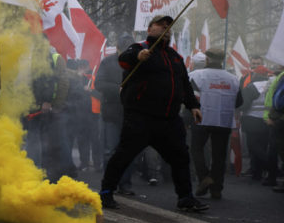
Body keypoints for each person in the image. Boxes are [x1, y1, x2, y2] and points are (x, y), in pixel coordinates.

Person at [99, 15, 208, 212]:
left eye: (169, 27)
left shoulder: (176, 57)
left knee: (181, 157)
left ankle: (185, 197)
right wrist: (138, 57)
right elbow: (124, 59)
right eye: (162, 26)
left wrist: (193, 105)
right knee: (123, 155)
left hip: (169, 120)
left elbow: (184, 84)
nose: (167, 29)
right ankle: (106, 192)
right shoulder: (139, 47)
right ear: (150, 29)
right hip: (141, 118)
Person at [189, 48, 243, 199]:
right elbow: (239, 102)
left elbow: (189, 98)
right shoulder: (233, 78)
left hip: (201, 119)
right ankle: (216, 188)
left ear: (206, 59)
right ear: (222, 60)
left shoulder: (195, 75)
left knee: (196, 149)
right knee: (219, 155)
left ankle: (204, 177)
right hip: (224, 120)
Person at [20, 49, 72, 182]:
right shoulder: (27, 57)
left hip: (49, 107)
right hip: (34, 106)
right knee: (38, 139)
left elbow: (62, 83)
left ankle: (60, 173)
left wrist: (56, 105)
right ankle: (46, 172)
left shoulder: (53, 57)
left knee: (48, 139)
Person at [96, 34, 137, 195]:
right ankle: (109, 184)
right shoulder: (107, 62)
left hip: (131, 113)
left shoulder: (137, 63)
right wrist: (118, 88)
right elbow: (99, 84)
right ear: (118, 48)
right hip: (112, 113)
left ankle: (125, 184)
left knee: (129, 150)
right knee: (111, 150)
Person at [239, 55, 277, 184]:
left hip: (252, 119)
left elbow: (245, 104)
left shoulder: (251, 87)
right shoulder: (271, 84)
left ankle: (272, 169)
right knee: (263, 145)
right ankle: (257, 172)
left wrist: (237, 109)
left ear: (255, 75)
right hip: (268, 120)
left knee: (253, 146)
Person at [264, 65, 284, 192]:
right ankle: (272, 176)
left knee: (277, 150)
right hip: (275, 117)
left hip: (278, 119)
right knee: (275, 149)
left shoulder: (280, 77)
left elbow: (279, 101)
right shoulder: (279, 77)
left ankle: (273, 176)